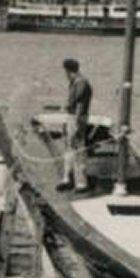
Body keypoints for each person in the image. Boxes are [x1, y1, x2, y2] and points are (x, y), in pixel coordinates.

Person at [56, 58, 94, 194]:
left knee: (78, 149)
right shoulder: (76, 82)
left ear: (68, 71)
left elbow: (80, 105)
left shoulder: (81, 83)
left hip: (77, 118)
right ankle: (67, 179)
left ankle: (81, 183)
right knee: (69, 148)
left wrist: (77, 125)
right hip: (72, 117)